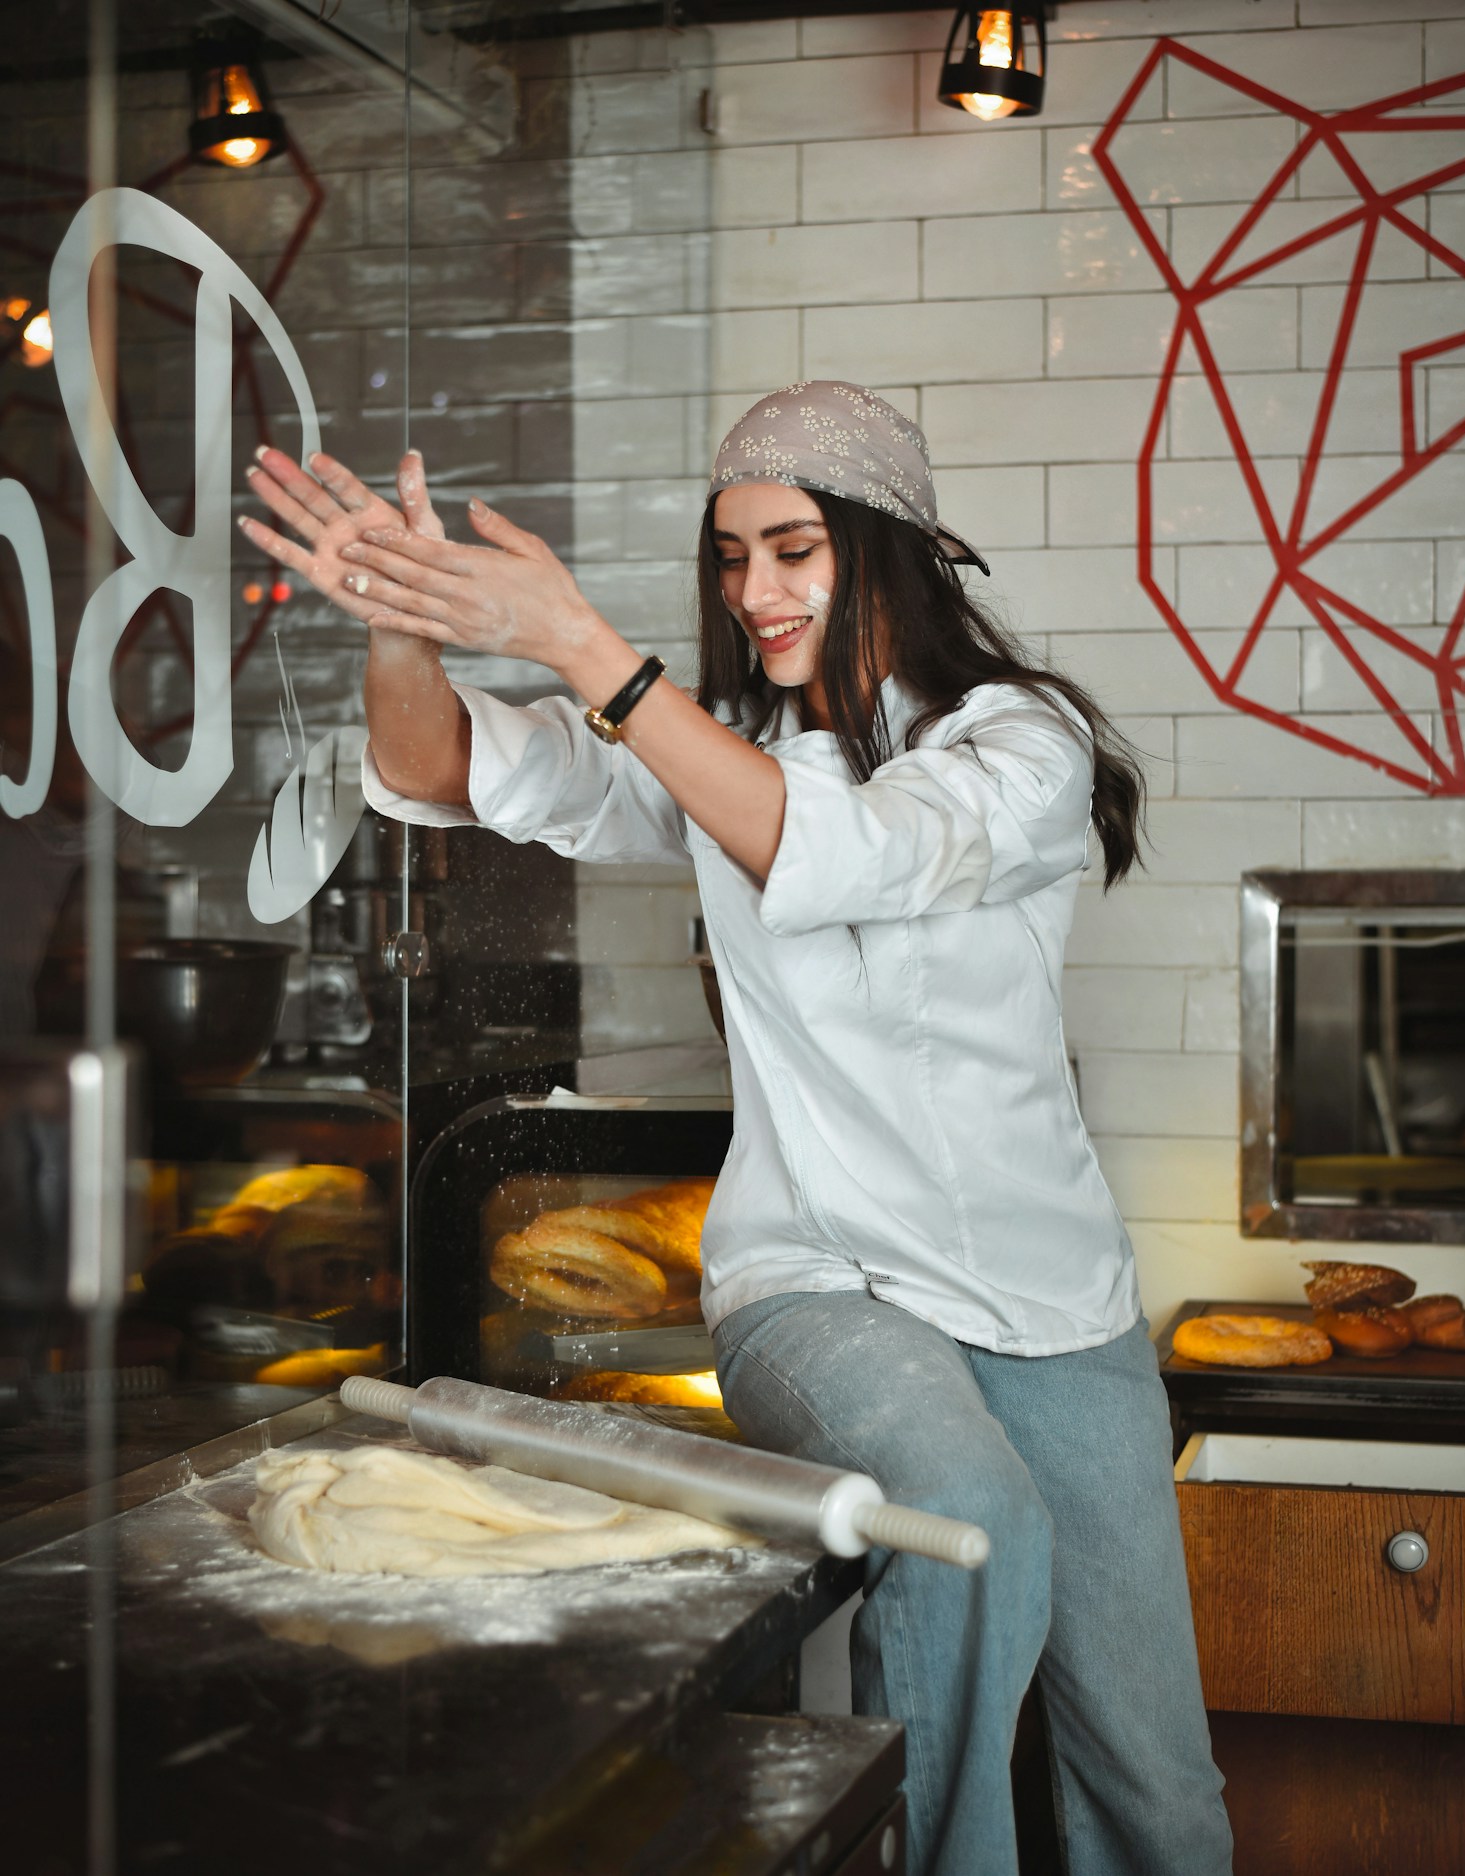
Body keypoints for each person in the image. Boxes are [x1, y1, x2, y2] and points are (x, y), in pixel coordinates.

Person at [243, 381, 1234, 1876]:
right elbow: (444, 765)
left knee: (1153, 1779)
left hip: (1050, 1298)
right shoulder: (722, 749)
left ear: (885, 551)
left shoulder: (1015, 747)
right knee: (971, 1517)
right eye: (729, 557)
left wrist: (589, 648)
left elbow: (851, 848)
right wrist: (403, 614)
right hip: (814, 1277)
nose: (752, 591)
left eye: (792, 550)